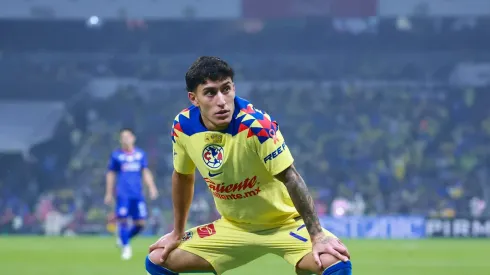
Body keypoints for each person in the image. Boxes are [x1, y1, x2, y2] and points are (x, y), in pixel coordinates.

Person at [146, 57, 352, 275]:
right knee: (158, 259)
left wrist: (317, 236)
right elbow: (183, 176)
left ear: (234, 87)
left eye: (226, 89)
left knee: (335, 262)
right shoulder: (183, 126)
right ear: (193, 98)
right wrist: (177, 232)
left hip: (285, 224)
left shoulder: (257, 125)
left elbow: (291, 178)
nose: (222, 101)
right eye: (210, 93)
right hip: (234, 226)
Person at [105, 128, 159, 260]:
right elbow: (111, 174)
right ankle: (126, 247)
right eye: (123, 137)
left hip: (137, 194)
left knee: (140, 224)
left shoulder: (140, 155)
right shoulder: (116, 155)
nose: (125, 139)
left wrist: (152, 187)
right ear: (120, 140)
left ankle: (124, 238)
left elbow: (145, 172)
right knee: (122, 220)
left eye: (128, 136)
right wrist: (108, 193)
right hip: (123, 194)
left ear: (133, 138)